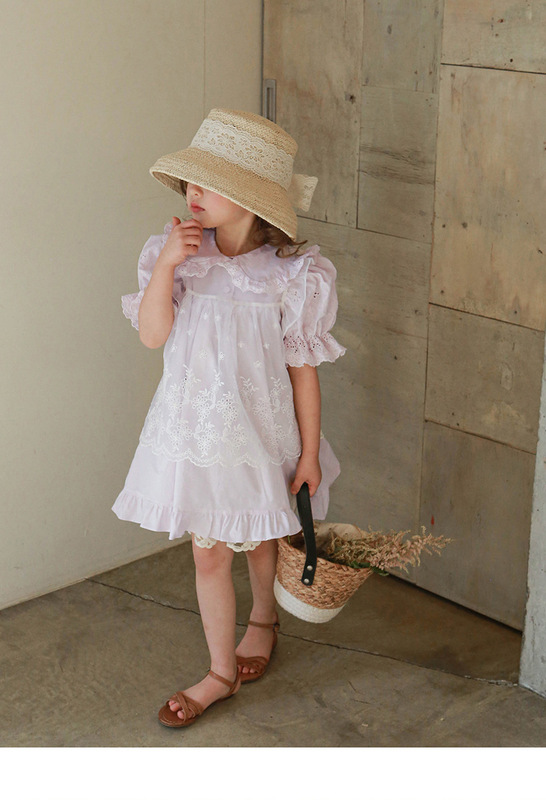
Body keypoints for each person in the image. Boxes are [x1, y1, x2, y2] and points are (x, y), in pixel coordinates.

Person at [112, 108, 346, 728]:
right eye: (190, 180)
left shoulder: (291, 276)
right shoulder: (181, 256)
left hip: (261, 433)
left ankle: (263, 619)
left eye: (208, 183)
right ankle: (220, 673)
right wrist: (167, 265)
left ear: (250, 199)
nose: (192, 191)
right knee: (209, 553)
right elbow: (153, 335)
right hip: (196, 433)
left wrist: (309, 453)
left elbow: (303, 369)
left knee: (261, 541)